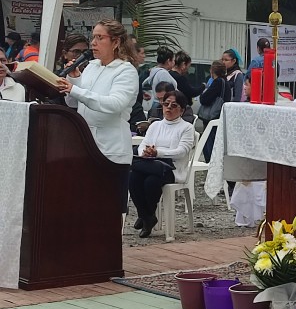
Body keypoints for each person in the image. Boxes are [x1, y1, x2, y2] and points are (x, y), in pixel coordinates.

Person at [55, 19, 139, 212]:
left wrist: (75, 90)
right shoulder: (92, 66)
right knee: (85, 208)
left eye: (99, 38)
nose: (93, 43)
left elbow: (114, 104)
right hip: (86, 146)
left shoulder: (125, 71)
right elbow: (74, 103)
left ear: (116, 42)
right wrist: (74, 79)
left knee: (108, 211)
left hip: (111, 150)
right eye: (93, 37)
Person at [129, 90, 195, 238]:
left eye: (174, 105)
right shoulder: (155, 125)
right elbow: (143, 144)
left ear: (182, 110)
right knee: (133, 177)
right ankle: (147, 216)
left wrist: (158, 153)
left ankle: (145, 216)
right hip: (150, 164)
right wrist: (144, 152)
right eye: (166, 104)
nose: (169, 108)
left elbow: (182, 152)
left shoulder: (186, 128)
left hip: (172, 168)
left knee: (151, 182)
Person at [199, 60, 230, 161]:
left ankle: (210, 162)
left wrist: (203, 93)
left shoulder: (217, 83)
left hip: (212, 116)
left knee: (208, 140)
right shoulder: (226, 82)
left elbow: (204, 99)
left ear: (212, 70)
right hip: (220, 115)